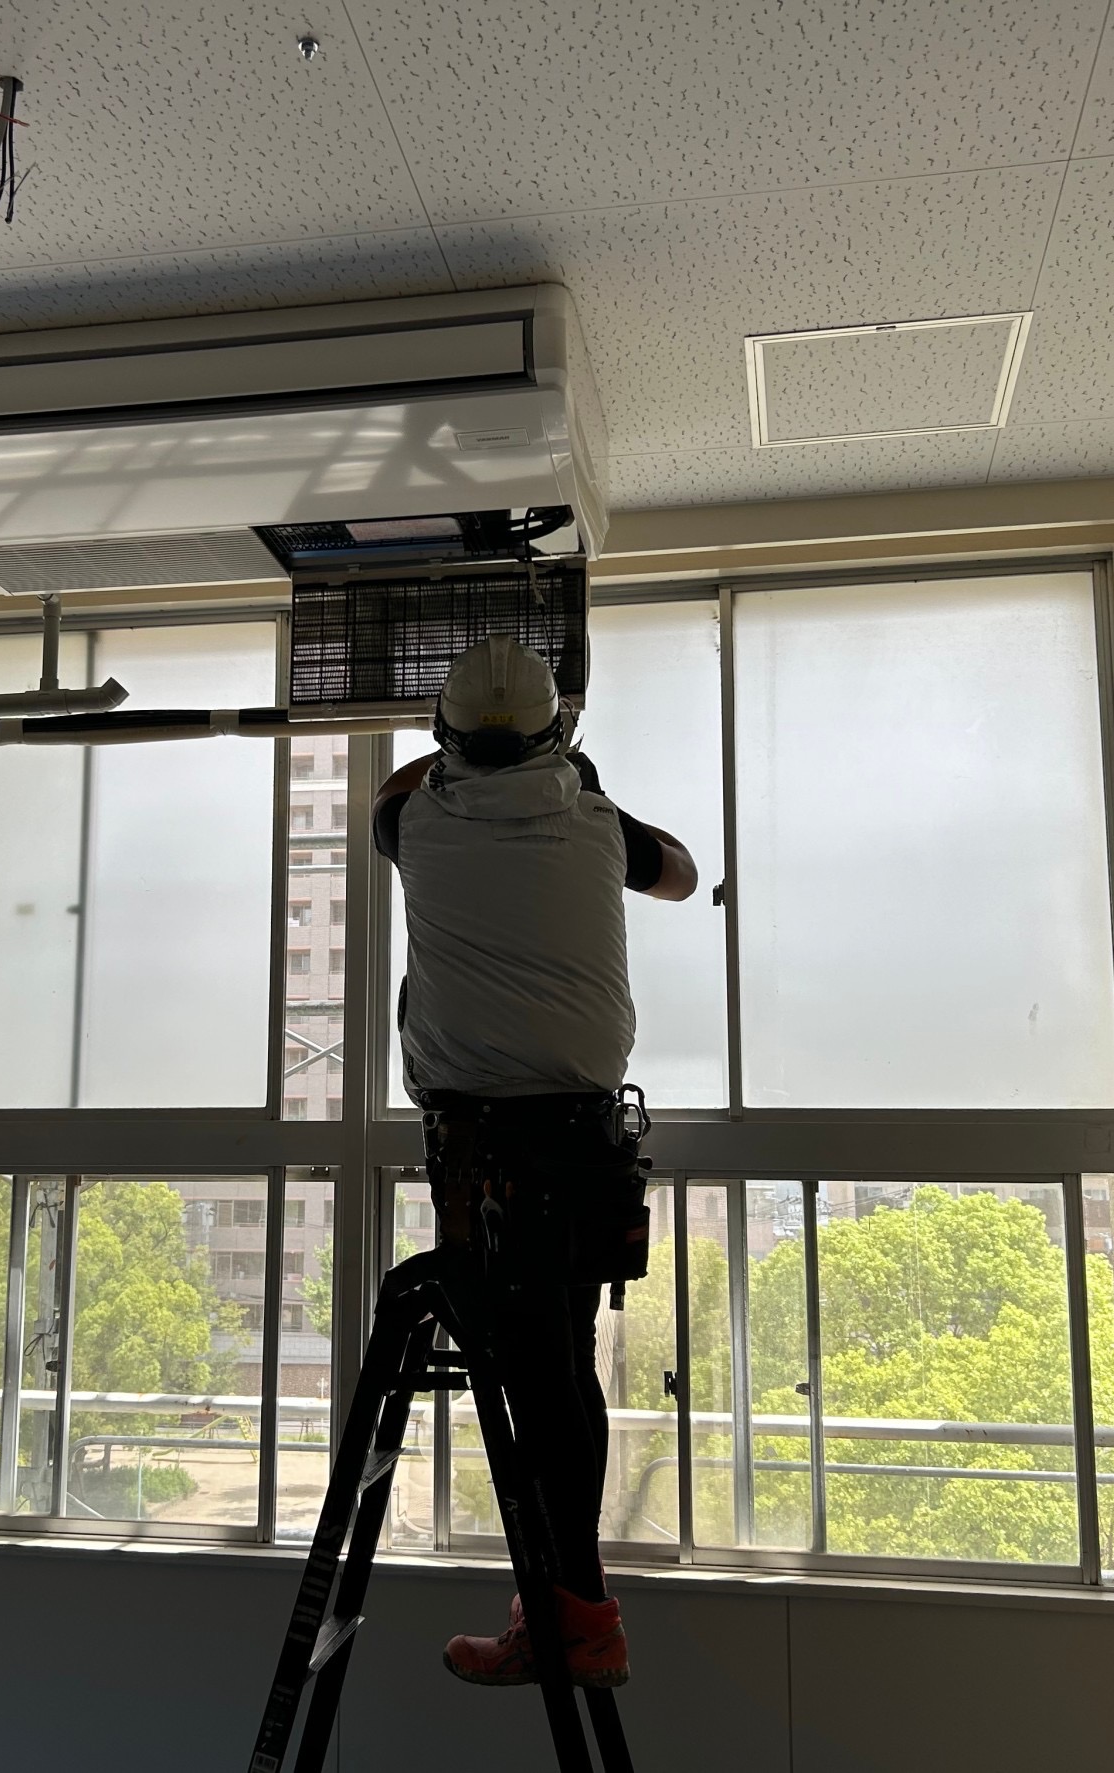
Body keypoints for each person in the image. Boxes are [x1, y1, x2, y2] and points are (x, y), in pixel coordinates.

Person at [371, 634, 697, 1690]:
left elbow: (392, 787)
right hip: (585, 1145)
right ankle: (573, 1613)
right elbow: (683, 875)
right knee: (562, 1376)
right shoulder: (596, 821)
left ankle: (576, 1620)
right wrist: (581, 778)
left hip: (483, 1158)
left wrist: (484, 757)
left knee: (544, 1387)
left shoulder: (413, 821)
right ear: (560, 734)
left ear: (446, 737)